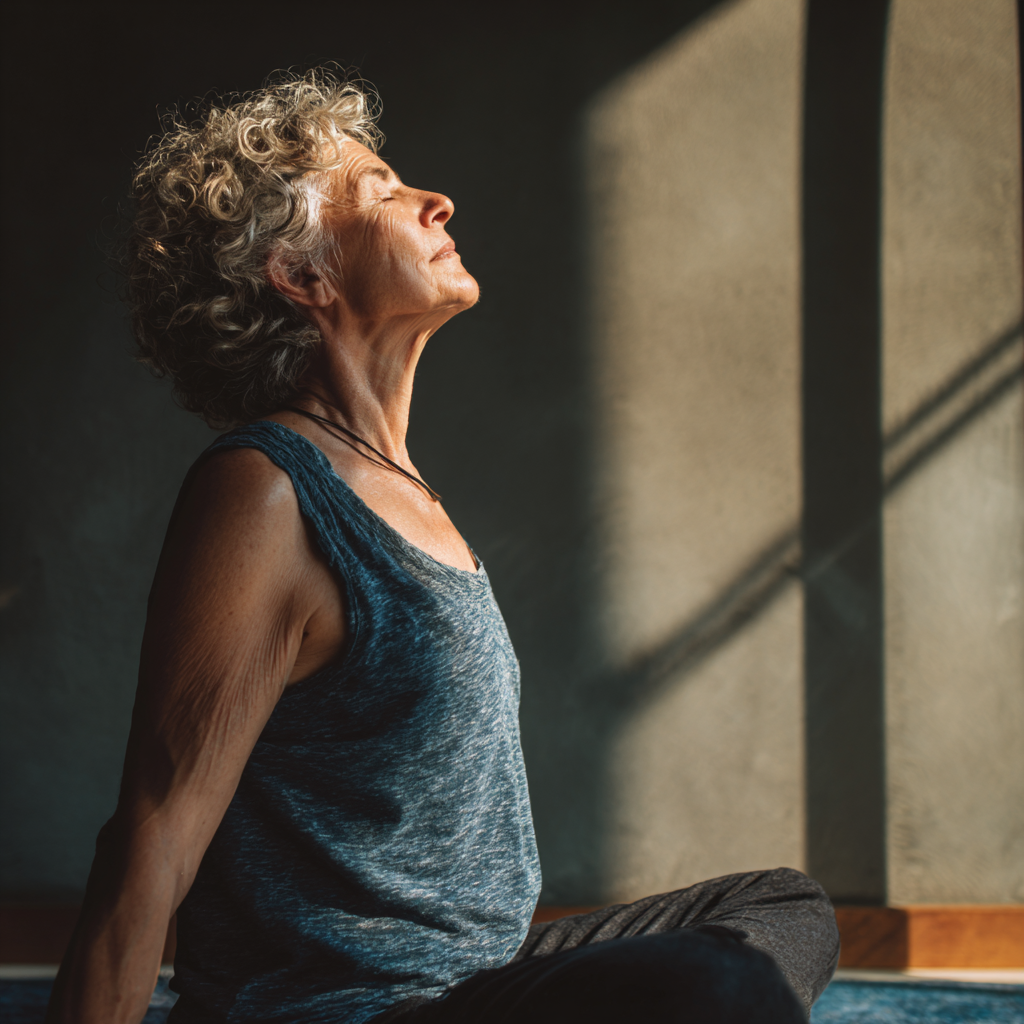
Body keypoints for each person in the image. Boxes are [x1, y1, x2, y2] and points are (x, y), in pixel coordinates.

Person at [46, 71, 838, 1024]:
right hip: (348, 1007)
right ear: (302, 275)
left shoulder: (403, 487)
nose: (438, 201)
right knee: (717, 986)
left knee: (782, 907)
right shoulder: (265, 491)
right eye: (381, 191)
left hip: (471, 981)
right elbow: (155, 834)